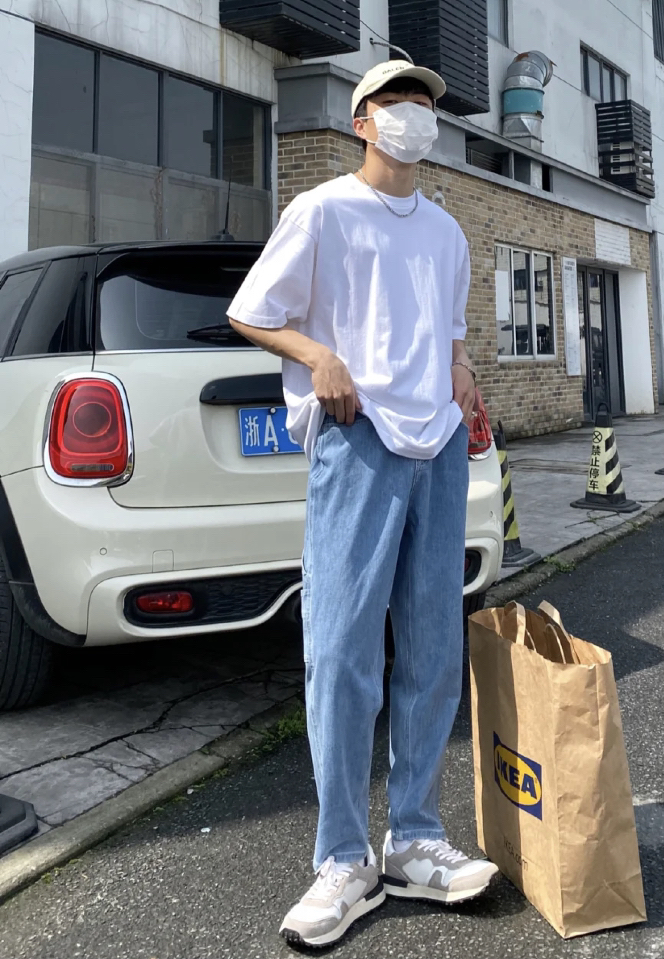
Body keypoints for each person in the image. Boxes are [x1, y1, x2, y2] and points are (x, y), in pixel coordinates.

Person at [227, 60, 498, 947]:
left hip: (440, 446)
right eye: (397, 101)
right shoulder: (324, 210)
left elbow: (450, 333)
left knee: (432, 645)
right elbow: (251, 310)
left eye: (425, 102)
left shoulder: (448, 232)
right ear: (361, 121)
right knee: (342, 649)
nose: (415, 114)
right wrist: (319, 357)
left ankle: (413, 837)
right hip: (360, 435)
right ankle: (343, 857)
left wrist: (463, 374)